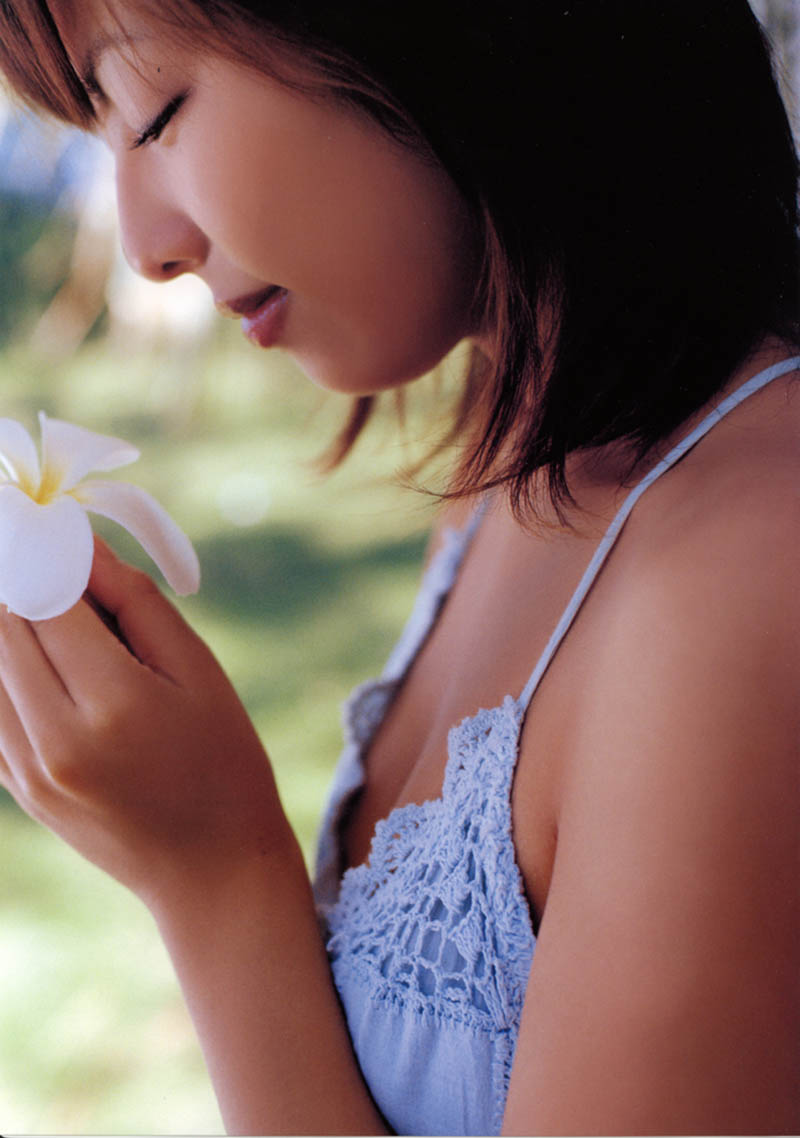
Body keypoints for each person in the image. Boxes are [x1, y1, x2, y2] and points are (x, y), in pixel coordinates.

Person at [0, 1, 798, 1133]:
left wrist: (219, 883)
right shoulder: (510, 458)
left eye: (154, 109)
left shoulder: (751, 574)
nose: (144, 245)